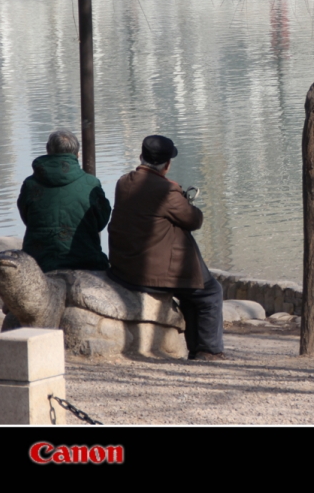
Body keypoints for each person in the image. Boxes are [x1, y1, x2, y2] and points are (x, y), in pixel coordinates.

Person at [107, 135, 224, 361]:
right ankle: (208, 351)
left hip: (124, 267)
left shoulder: (124, 182)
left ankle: (197, 349)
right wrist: (181, 196)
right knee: (211, 292)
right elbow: (194, 220)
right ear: (167, 164)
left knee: (193, 291)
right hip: (151, 275)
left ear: (141, 156)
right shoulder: (167, 191)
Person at [17, 129, 111, 272]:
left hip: (39, 263)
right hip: (86, 260)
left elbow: (27, 218)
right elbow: (101, 221)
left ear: (48, 150)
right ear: (77, 154)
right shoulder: (91, 184)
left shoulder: (30, 184)